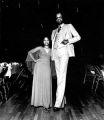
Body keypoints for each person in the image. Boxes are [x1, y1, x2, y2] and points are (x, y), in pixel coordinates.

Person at [51, 12, 81, 111]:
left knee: (62, 76)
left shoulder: (69, 26)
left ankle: (57, 103)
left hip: (64, 52)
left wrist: (68, 40)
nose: (58, 18)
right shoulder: (54, 31)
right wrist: (52, 56)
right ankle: (60, 100)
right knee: (59, 77)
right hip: (56, 54)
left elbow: (78, 37)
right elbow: (52, 44)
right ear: (56, 20)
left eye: (60, 17)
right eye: (57, 17)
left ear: (63, 18)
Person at [28, 37, 52, 110]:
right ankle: (37, 102)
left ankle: (46, 104)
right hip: (39, 67)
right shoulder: (40, 48)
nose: (46, 41)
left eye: (47, 40)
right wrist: (34, 60)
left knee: (47, 84)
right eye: (44, 40)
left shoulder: (52, 50)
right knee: (39, 83)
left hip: (47, 67)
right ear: (43, 41)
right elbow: (29, 52)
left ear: (49, 41)